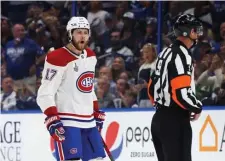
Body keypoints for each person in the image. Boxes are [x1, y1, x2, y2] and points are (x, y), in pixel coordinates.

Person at [36, 16, 106, 161]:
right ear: (70, 34)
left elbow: (88, 87)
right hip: (67, 122)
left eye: (85, 32)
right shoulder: (57, 57)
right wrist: (52, 117)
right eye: (78, 32)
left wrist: (95, 110)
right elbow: (45, 93)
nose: (82, 36)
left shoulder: (91, 56)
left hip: (88, 122)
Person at [148, 14, 203, 161]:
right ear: (189, 32)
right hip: (175, 122)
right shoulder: (182, 55)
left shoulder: (164, 53)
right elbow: (181, 94)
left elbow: (151, 87)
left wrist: (162, 108)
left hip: (158, 120)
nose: (197, 34)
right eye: (196, 30)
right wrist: (196, 106)